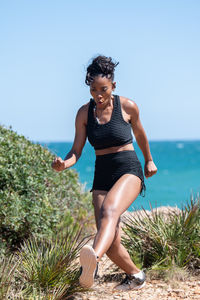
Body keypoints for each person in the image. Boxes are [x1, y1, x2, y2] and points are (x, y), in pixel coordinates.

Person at [52, 55, 157, 291]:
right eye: (93, 90)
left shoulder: (127, 106)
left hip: (128, 169)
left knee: (110, 210)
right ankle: (136, 276)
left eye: (103, 89)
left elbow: (140, 135)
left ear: (114, 86)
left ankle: (92, 263)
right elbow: (76, 150)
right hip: (102, 174)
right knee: (109, 238)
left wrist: (149, 160)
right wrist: (64, 164)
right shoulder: (83, 114)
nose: (98, 95)